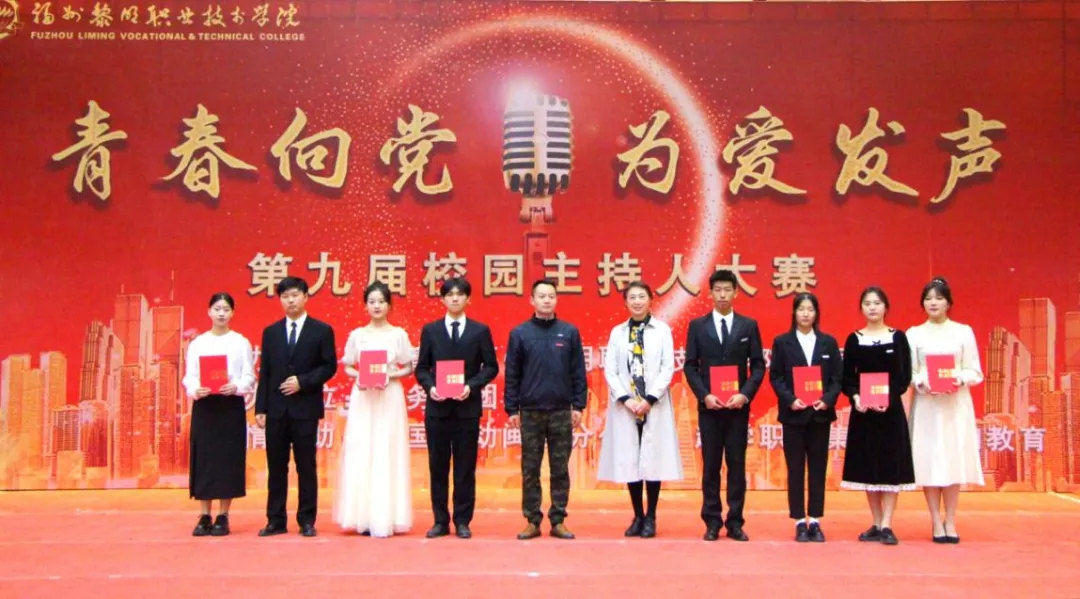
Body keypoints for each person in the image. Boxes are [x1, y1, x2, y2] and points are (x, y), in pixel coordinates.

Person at [597, 281, 683, 539]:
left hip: (653, 405)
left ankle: (651, 516)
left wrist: (649, 399)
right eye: (632, 297)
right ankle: (637, 515)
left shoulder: (662, 331)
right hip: (627, 407)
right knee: (631, 460)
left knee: (652, 459)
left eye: (641, 297)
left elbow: (667, 368)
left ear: (650, 300)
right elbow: (611, 369)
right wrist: (627, 399)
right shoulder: (617, 332)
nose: (637, 301)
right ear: (625, 302)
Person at [414, 278, 499, 540]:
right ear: (442, 299)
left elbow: (491, 366)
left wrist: (471, 386)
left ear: (468, 299)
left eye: (459, 294)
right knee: (438, 467)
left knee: (465, 468)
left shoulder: (479, 330)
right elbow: (421, 368)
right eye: (449, 294)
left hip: (466, 409)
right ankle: (440, 520)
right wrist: (430, 387)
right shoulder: (431, 330)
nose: (454, 298)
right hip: (437, 409)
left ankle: (463, 520)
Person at [684, 270, 765, 542]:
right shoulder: (698, 326)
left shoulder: (748, 326)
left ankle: (735, 522)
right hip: (709, 408)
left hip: (737, 409)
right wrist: (704, 395)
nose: (722, 295)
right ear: (710, 293)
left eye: (727, 290)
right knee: (710, 466)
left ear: (735, 293)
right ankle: (711, 521)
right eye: (717, 290)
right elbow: (690, 366)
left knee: (736, 465)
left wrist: (744, 395)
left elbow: (758, 366)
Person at [255, 276, 337, 538]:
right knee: (276, 467)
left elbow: (329, 366)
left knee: (306, 466)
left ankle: (307, 520)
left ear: (305, 297)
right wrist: (260, 408)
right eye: (285, 296)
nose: (290, 300)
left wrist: (303, 382)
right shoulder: (271, 333)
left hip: (305, 409)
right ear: (280, 300)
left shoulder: (321, 330)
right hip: (276, 409)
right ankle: (275, 520)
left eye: (295, 295)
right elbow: (265, 372)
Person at [504, 279, 587, 540]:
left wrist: (578, 405)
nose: (547, 300)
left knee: (560, 469)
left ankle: (558, 519)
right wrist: (512, 409)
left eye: (551, 296)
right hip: (530, 412)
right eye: (541, 296)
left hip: (561, 412)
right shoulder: (520, 333)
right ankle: (532, 520)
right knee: (530, 469)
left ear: (557, 299)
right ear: (532, 300)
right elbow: (512, 374)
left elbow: (578, 371)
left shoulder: (569, 332)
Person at [334, 281, 416, 537]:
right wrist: (359, 376)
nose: (377, 306)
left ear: (389, 305)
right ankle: (362, 516)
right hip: (364, 397)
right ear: (365, 306)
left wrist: (390, 375)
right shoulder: (357, 335)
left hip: (389, 396)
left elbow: (408, 366)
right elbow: (348, 365)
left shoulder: (398, 335)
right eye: (372, 302)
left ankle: (388, 516)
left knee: (387, 449)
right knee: (362, 449)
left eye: (381, 301)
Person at [907, 277, 984, 544]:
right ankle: (935, 520)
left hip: (955, 406)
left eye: (939, 298)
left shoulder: (963, 332)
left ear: (949, 303)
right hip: (927, 405)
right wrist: (922, 382)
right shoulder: (914, 334)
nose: (933, 303)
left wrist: (958, 379)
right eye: (928, 299)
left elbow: (974, 370)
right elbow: (909, 372)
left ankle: (950, 519)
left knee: (952, 460)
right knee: (929, 461)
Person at [840, 286, 915, 546]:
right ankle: (876, 521)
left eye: (877, 303)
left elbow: (904, 376)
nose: (872, 308)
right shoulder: (854, 339)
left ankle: (887, 524)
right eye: (867, 303)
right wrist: (856, 397)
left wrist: (888, 398)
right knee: (868, 467)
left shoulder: (898, 338)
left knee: (890, 466)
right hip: (864, 413)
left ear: (886, 307)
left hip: (890, 413)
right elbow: (847, 378)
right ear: (861, 308)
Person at [768, 292, 843, 543]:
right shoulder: (782, 342)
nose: (806, 314)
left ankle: (816, 520)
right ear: (794, 312)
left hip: (820, 415)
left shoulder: (828, 343)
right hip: (794, 415)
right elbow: (776, 376)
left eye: (810, 309)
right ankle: (799, 520)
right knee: (796, 469)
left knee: (818, 469)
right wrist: (790, 399)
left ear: (816, 313)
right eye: (801, 309)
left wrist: (827, 399)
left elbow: (837, 378)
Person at [182, 292, 255, 537]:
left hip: (230, 405)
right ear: (209, 312)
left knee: (227, 460)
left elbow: (249, 375)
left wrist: (237, 386)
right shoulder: (198, 343)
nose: (221, 313)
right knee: (205, 459)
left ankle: (223, 515)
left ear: (232, 313)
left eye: (226, 309)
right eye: (217, 309)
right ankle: (204, 515)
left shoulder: (240, 342)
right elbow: (190, 376)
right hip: (205, 406)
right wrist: (195, 389)